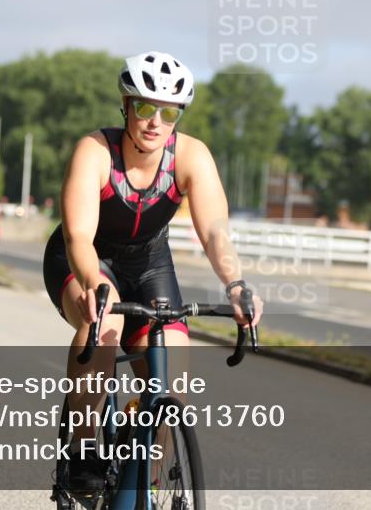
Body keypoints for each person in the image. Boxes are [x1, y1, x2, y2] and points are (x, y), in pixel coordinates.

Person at [42, 51, 263, 494]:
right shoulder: (95, 151)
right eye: (144, 107)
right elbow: (79, 238)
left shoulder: (191, 156)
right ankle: (84, 447)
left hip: (148, 264)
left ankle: (144, 467)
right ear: (125, 106)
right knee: (107, 321)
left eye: (168, 111)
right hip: (84, 260)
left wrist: (236, 285)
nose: (154, 121)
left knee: (172, 387)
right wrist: (92, 286)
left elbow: (215, 234)